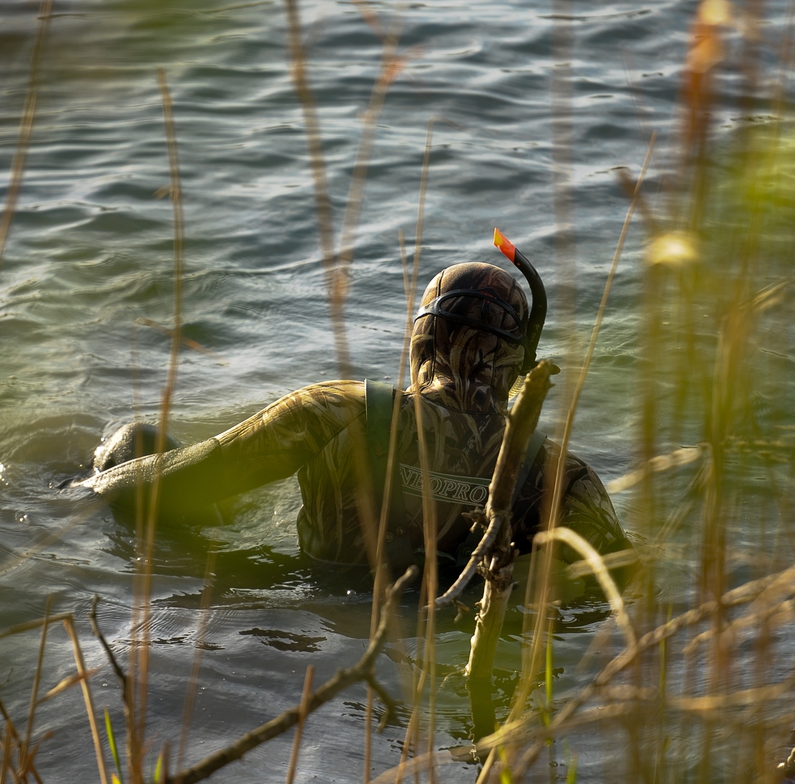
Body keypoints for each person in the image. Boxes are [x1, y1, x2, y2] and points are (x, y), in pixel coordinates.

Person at [83, 232, 633, 590]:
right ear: (521, 364)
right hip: (452, 639)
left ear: (420, 342)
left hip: (328, 637)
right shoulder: (563, 477)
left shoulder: (331, 415)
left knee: (134, 442)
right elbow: (627, 585)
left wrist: (80, 489)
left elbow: (162, 485)